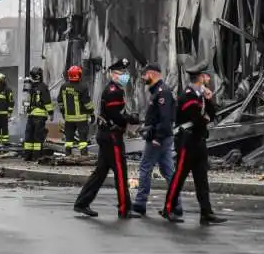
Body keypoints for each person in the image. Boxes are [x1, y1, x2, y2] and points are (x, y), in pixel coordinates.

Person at [73, 58, 141, 219]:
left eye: (125, 73)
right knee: (120, 171)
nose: (124, 75)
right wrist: (130, 119)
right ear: (112, 74)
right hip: (112, 137)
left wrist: (128, 118)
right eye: (121, 73)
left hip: (107, 135)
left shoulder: (114, 89)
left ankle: (81, 203)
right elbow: (115, 115)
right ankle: (125, 208)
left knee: (100, 172)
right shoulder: (113, 91)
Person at [162, 61, 225, 225]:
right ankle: (168, 209)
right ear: (201, 77)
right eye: (206, 75)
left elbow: (211, 115)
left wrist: (209, 100)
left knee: (202, 179)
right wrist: (205, 118)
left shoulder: (200, 95)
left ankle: (206, 213)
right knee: (179, 177)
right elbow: (198, 119)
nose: (209, 78)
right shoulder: (188, 95)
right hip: (186, 143)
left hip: (198, 142)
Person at [133, 63, 183, 217]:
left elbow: (166, 118)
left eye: (145, 74)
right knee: (168, 171)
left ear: (153, 74)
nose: (143, 78)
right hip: (161, 136)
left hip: (158, 138)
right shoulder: (158, 91)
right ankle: (177, 205)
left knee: (145, 168)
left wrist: (157, 138)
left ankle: (140, 203)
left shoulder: (162, 93)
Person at [57, 65, 94, 156]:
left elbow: (60, 101)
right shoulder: (83, 87)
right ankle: (83, 155)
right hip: (81, 119)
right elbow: (87, 103)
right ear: (79, 75)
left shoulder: (64, 86)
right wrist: (92, 112)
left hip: (68, 118)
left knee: (68, 139)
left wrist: (63, 113)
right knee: (82, 139)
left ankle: (68, 154)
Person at [22, 67, 53, 160]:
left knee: (29, 136)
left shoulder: (30, 86)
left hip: (30, 114)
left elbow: (26, 100)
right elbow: (47, 101)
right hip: (40, 116)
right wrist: (51, 113)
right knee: (37, 137)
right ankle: (36, 157)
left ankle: (27, 156)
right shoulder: (43, 87)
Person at [0, 73, 15, 147]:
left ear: (1, 81)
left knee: (4, 128)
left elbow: (11, 102)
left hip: (4, 113)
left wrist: (9, 112)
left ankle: (5, 142)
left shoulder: (8, 90)